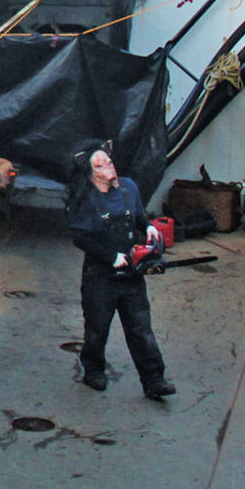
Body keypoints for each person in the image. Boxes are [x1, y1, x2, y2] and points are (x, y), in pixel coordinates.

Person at [69, 145, 177, 399]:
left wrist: (148, 227)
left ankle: (154, 379)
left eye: (109, 161)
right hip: (100, 277)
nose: (109, 167)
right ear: (90, 174)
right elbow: (81, 237)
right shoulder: (85, 199)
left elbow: (138, 215)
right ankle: (93, 370)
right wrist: (111, 256)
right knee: (97, 329)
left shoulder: (128, 187)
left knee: (141, 329)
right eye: (101, 165)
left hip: (131, 276)